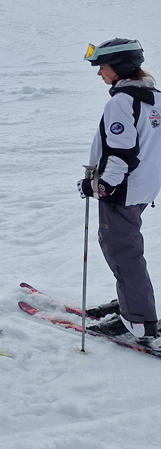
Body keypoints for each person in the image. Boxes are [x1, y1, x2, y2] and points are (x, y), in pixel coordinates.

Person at [80, 39, 161, 343]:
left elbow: (121, 151)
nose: (99, 72)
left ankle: (139, 321)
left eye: (103, 66)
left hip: (123, 190)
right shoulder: (155, 97)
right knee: (126, 248)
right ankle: (130, 302)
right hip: (144, 186)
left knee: (122, 252)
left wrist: (101, 186)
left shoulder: (121, 102)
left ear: (121, 67)